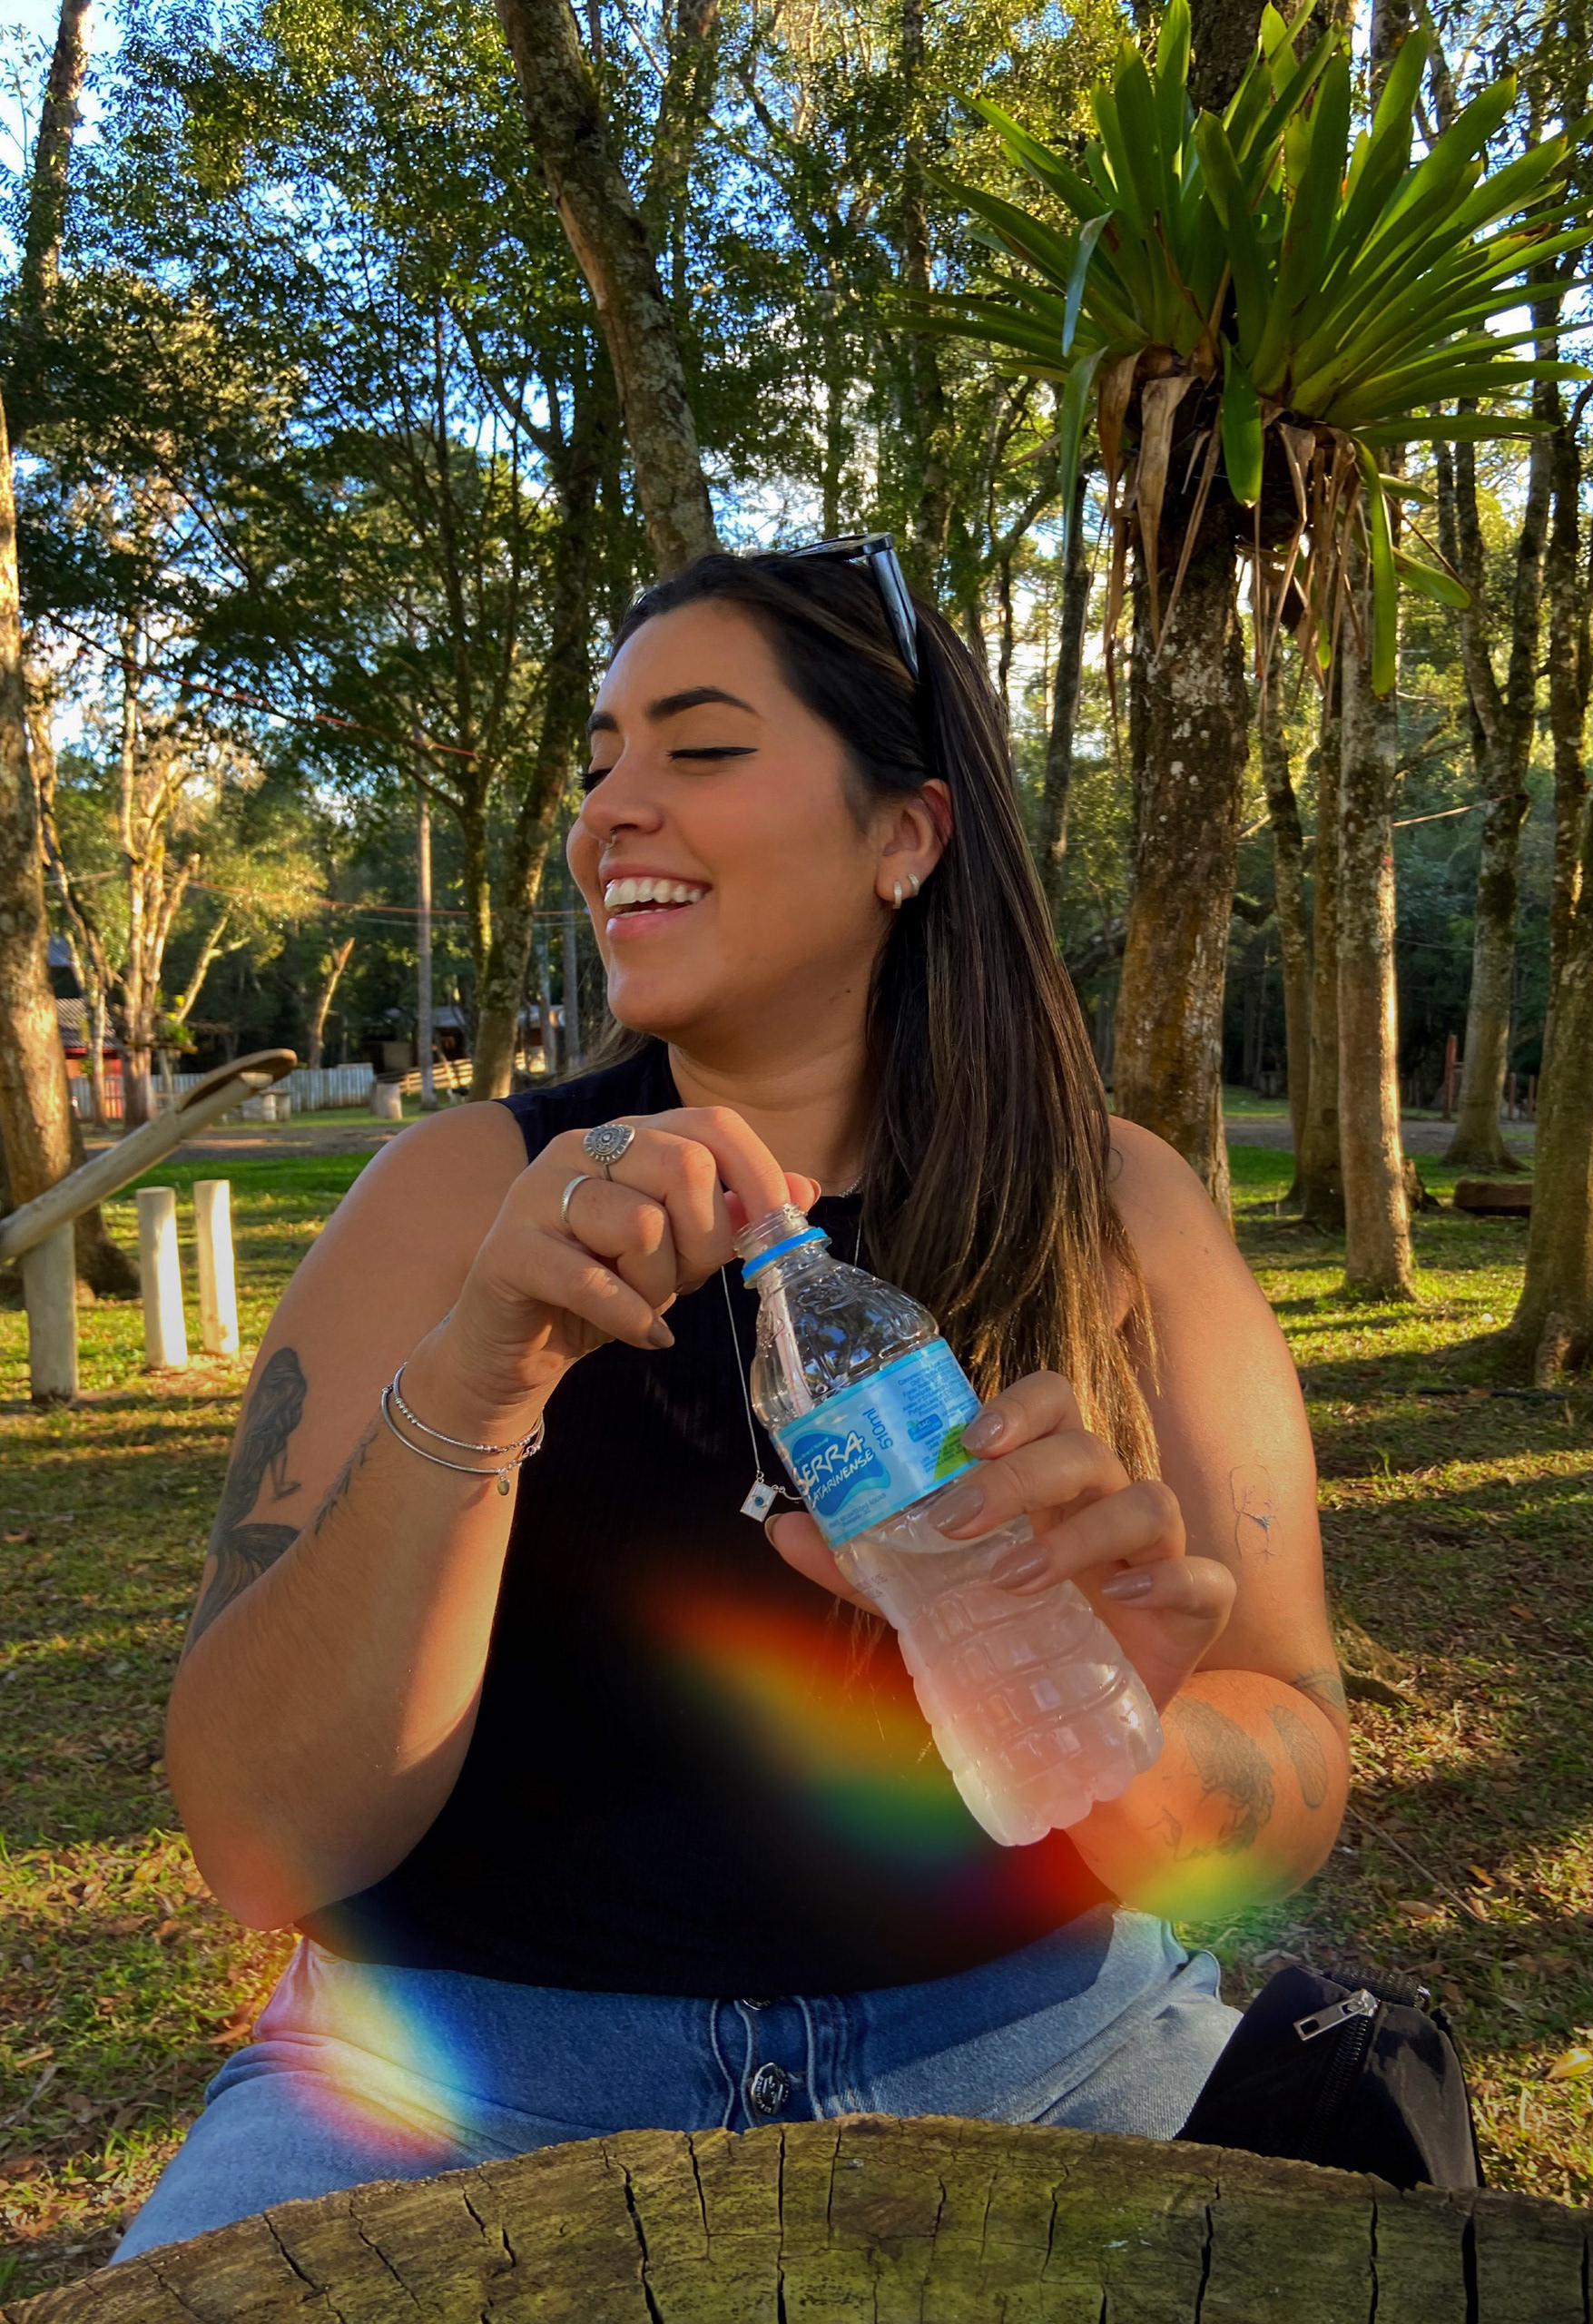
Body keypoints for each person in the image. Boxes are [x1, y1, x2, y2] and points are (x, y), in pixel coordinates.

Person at [113, 542, 1347, 2262]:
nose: (611, 810)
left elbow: (1295, 1763)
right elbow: (259, 1847)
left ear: (907, 834)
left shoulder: (1118, 1209)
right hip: (455, 2095)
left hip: (1044, 2053)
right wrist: (478, 1373)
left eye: (697, 748)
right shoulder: (451, 1199)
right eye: (601, 760)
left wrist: (1130, 1742)